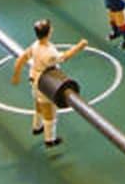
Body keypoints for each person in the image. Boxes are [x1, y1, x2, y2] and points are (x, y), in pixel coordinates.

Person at [11, 18, 87, 148]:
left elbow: (21, 59)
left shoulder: (35, 45)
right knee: (49, 110)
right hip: (44, 81)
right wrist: (79, 46)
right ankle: (50, 139)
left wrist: (16, 75)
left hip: (34, 77)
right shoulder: (49, 53)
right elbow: (65, 56)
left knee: (39, 103)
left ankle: (37, 126)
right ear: (49, 32)